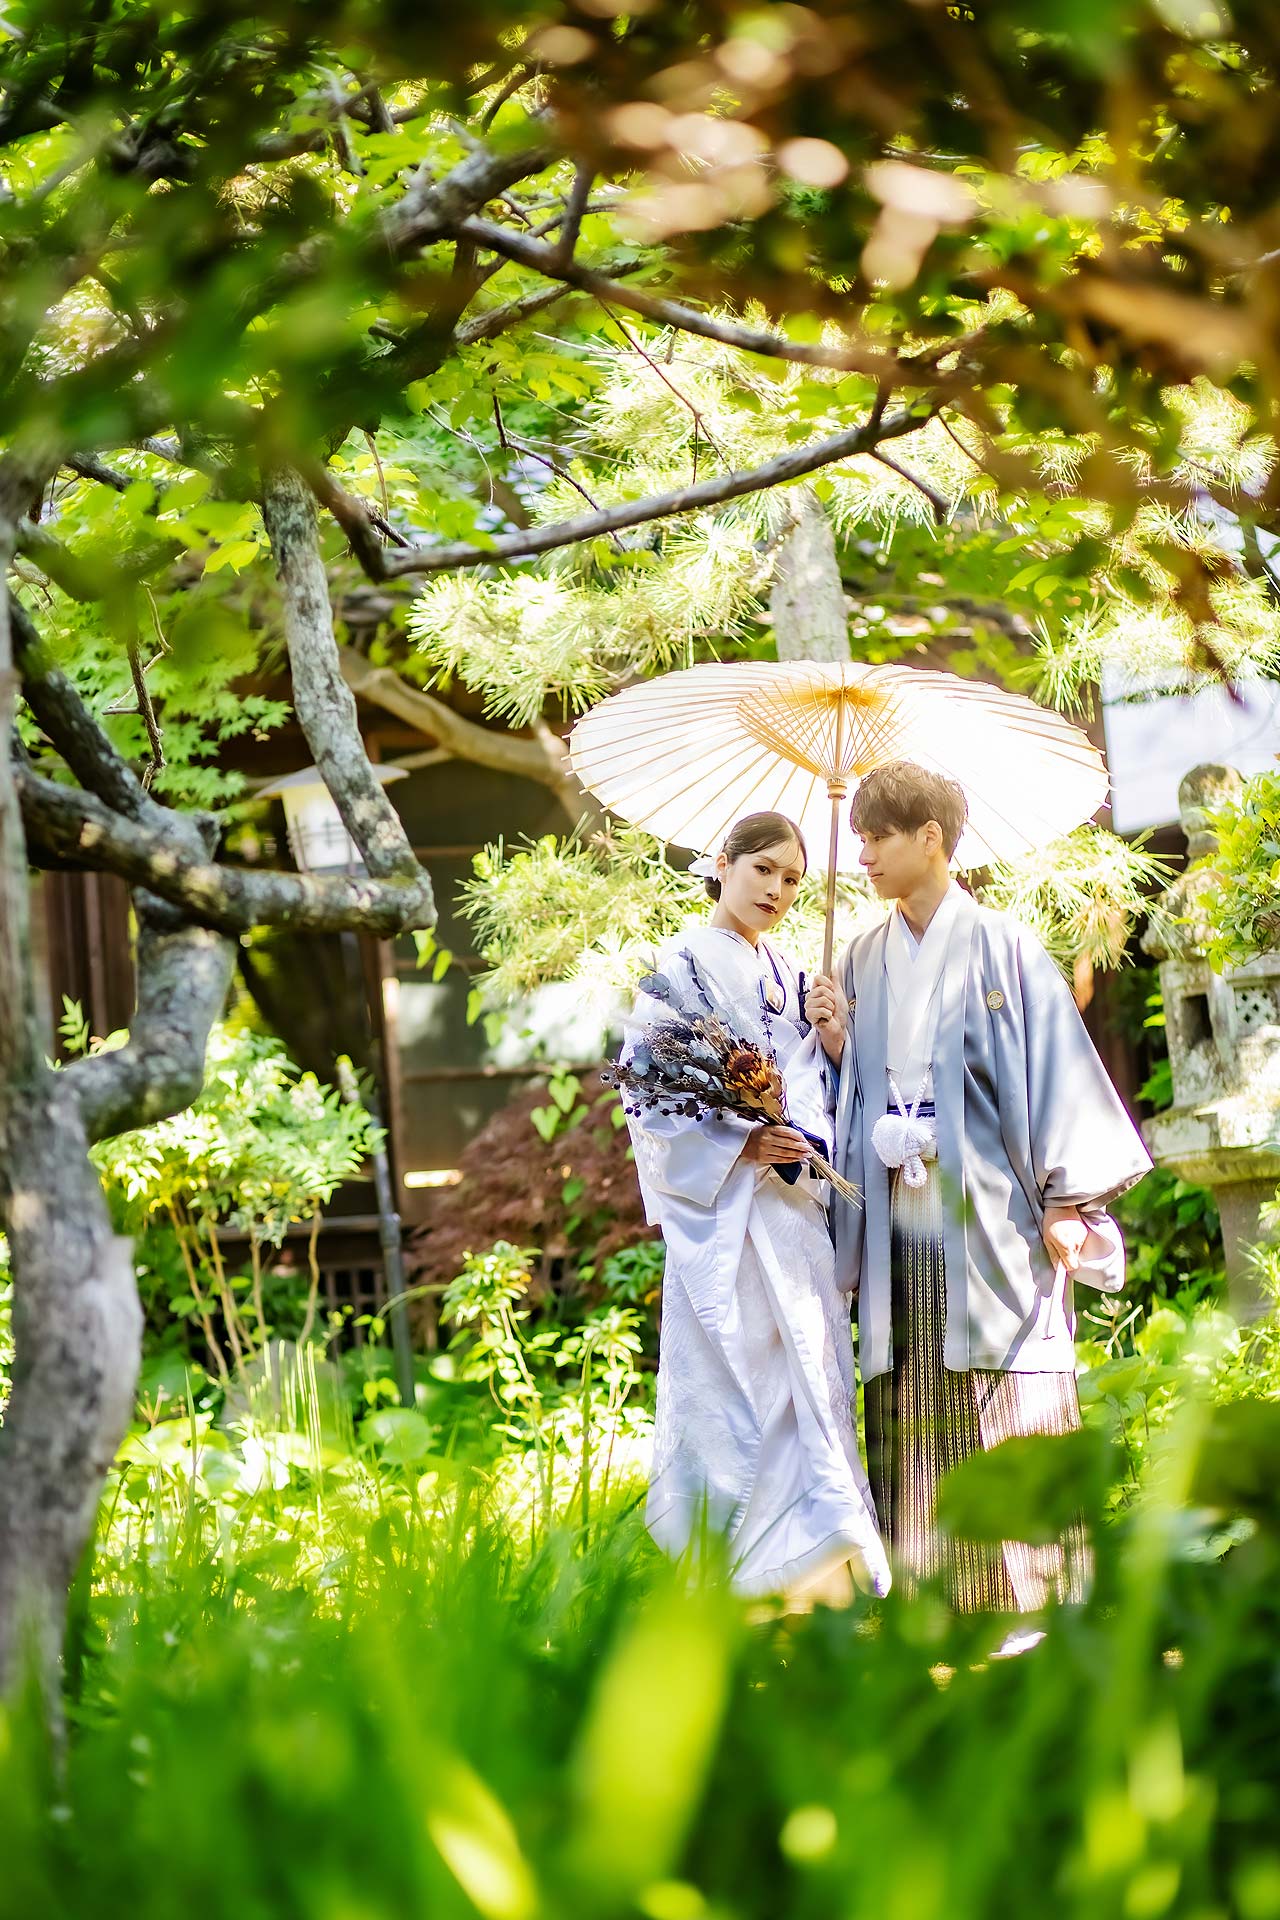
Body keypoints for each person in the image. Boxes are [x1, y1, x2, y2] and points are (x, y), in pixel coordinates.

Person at [805, 762, 1152, 1617]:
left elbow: (1056, 1069)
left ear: (931, 838)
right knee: (911, 1373)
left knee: (1001, 1372)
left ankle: (1033, 1600)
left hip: (987, 1202)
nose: (863, 857)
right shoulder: (861, 956)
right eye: (859, 840)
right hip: (895, 1198)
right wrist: (840, 1043)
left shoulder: (1005, 945)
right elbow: (858, 1093)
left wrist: (1066, 1201)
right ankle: (935, 1603)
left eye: (877, 838)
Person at [624, 811, 890, 1606]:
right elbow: (650, 1106)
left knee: (807, 1377)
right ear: (723, 863)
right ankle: (736, 1586)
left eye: (792, 879)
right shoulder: (677, 969)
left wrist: (834, 1041)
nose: (776, 889)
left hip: (794, 1212)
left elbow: (832, 1095)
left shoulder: (796, 979)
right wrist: (742, 1145)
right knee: (737, 1383)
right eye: (763, 869)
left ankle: (822, 1582)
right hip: (727, 1220)